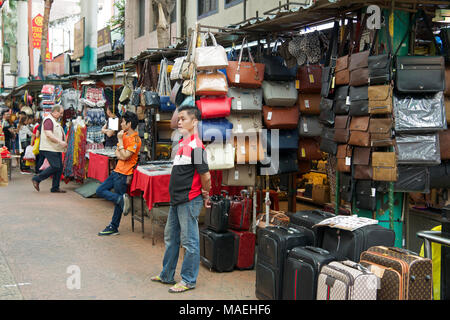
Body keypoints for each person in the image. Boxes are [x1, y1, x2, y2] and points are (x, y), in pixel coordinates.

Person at [151, 105, 211, 294]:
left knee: (190, 241)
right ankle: (167, 274)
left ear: (195, 122)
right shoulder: (183, 145)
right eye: (179, 119)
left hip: (189, 199)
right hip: (177, 200)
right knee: (171, 238)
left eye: (183, 118)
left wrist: (205, 193)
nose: (179, 122)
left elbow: (206, 176)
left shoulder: (197, 146)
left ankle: (188, 280)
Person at [97, 111, 142, 236]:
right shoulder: (124, 135)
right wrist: (121, 151)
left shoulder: (135, 139)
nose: (121, 124)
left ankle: (113, 226)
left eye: (123, 121)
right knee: (100, 190)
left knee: (118, 204)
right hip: (117, 171)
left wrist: (121, 143)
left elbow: (126, 156)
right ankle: (119, 200)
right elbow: (118, 154)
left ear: (129, 123)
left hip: (124, 174)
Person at [31, 105, 67, 193]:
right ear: (55, 112)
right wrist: (60, 142)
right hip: (49, 148)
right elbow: (49, 134)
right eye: (60, 113)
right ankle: (37, 179)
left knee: (59, 168)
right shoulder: (48, 120)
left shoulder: (53, 120)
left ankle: (55, 187)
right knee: (55, 166)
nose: (61, 115)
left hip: (55, 148)